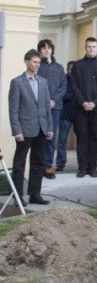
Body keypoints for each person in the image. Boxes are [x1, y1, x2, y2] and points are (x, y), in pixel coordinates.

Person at [8, 49, 53, 206]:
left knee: (38, 162)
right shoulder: (17, 82)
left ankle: (35, 194)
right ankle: (18, 196)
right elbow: (13, 109)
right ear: (26, 62)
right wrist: (17, 130)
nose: (37, 65)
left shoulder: (43, 82)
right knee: (20, 164)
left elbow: (47, 107)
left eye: (39, 62)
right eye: (34, 62)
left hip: (41, 128)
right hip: (25, 129)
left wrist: (49, 128)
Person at [71, 37, 97, 178]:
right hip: (80, 108)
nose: (91, 49)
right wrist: (82, 102)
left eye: (93, 46)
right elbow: (74, 86)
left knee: (94, 137)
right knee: (82, 137)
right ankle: (82, 168)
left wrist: (95, 102)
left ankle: (92, 167)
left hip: (96, 108)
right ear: (85, 48)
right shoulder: (77, 65)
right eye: (89, 46)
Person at [36, 39, 66, 180]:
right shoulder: (37, 67)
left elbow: (63, 86)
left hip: (55, 106)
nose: (46, 50)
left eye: (49, 48)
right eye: (43, 48)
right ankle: (38, 165)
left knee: (50, 136)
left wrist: (54, 100)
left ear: (52, 50)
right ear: (40, 51)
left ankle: (47, 166)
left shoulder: (59, 68)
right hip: (38, 106)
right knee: (38, 136)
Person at [56, 61, 76, 172]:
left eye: (74, 69)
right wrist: (75, 96)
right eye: (70, 69)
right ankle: (60, 163)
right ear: (67, 69)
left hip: (78, 114)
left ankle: (82, 164)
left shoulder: (80, 80)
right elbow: (61, 94)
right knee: (62, 140)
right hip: (65, 115)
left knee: (82, 140)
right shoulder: (62, 80)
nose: (71, 71)